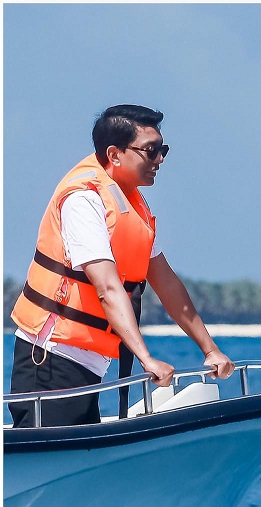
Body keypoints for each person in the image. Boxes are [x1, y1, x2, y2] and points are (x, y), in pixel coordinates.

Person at [8, 104, 234, 428]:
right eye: (151, 151)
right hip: (51, 356)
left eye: (163, 150)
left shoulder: (132, 205)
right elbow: (107, 288)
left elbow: (167, 284)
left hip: (87, 361)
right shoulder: (83, 200)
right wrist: (146, 359)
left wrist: (210, 349)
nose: (160, 160)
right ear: (114, 154)